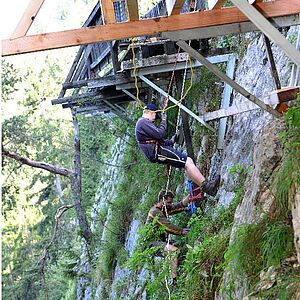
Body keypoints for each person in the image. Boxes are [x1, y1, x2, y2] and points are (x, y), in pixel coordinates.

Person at [135, 102, 220, 196]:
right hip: (158, 151)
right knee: (187, 162)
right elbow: (159, 134)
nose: (155, 119)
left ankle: (206, 187)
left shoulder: (142, 123)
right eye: (155, 115)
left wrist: (171, 141)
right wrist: (164, 120)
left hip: (157, 151)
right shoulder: (143, 122)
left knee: (187, 163)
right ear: (151, 112)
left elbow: (155, 139)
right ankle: (208, 187)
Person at [145, 189, 192, 285]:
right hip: (151, 245)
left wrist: (190, 196)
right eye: (169, 202)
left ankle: (177, 269)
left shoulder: (164, 209)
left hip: (161, 241)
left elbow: (178, 206)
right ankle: (174, 281)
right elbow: (168, 227)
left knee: (179, 247)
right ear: (162, 200)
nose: (171, 204)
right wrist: (182, 232)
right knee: (173, 251)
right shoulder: (154, 212)